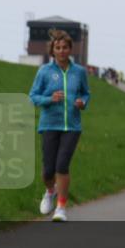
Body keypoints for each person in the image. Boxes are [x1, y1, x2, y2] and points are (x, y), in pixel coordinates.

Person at [29, 30, 90, 222]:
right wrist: (49, 99)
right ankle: (50, 191)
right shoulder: (44, 71)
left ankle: (61, 207)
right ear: (52, 51)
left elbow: (86, 93)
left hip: (71, 126)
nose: (62, 51)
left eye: (65, 48)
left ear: (70, 50)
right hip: (49, 124)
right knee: (48, 170)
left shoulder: (79, 72)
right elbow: (33, 97)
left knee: (62, 166)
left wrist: (83, 102)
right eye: (58, 48)